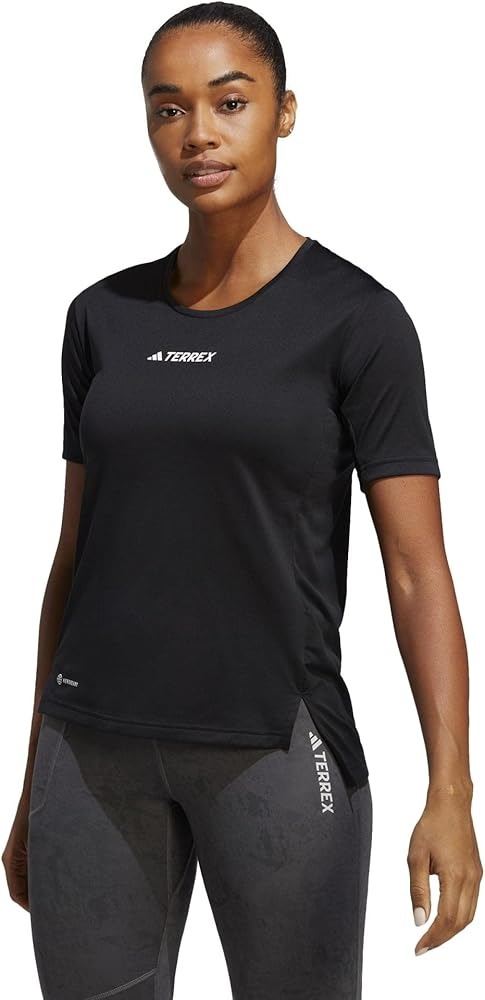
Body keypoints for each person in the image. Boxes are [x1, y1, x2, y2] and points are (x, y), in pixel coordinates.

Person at [2, 3, 482, 999]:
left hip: (277, 752)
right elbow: (74, 557)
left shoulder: (357, 322)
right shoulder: (101, 318)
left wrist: (450, 789)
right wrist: (32, 781)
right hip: (89, 758)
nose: (197, 134)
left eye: (229, 102)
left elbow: (414, 570)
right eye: (167, 108)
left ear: (284, 112)